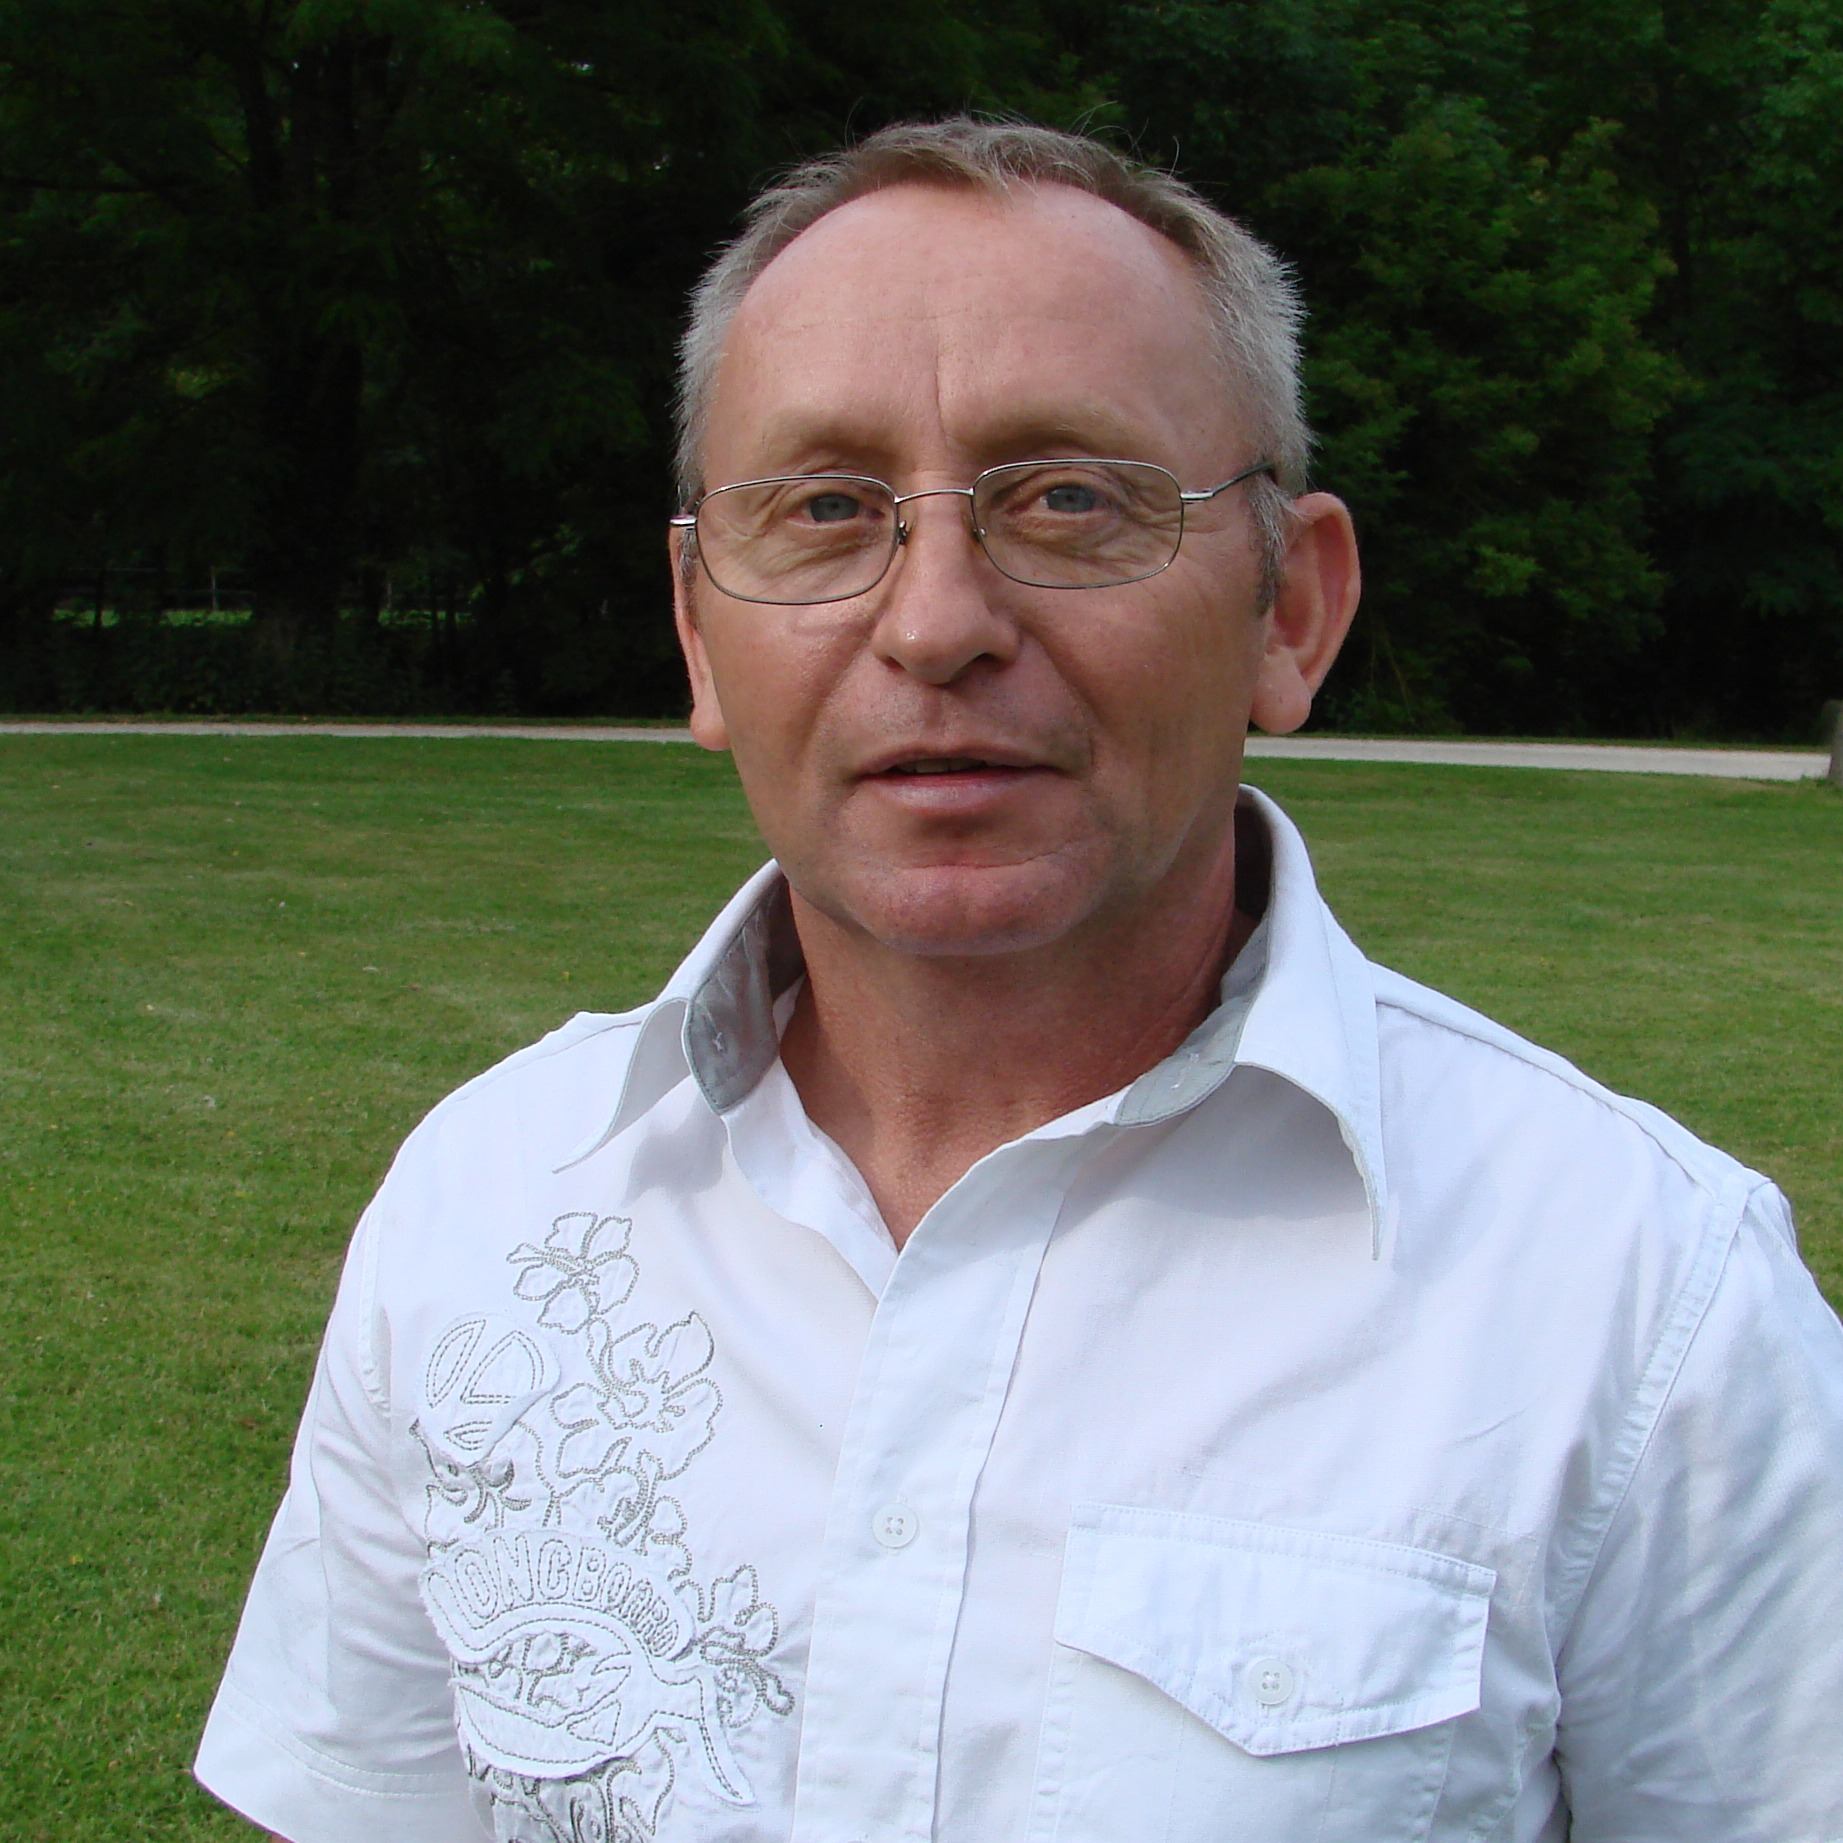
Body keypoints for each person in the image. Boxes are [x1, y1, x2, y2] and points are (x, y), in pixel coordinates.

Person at [195, 119, 1843, 1843]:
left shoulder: (1639, 1310)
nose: (935, 623)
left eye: (1068, 499)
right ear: (699, 631)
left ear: (1291, 609)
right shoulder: (484, 1209)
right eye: (825, 510)